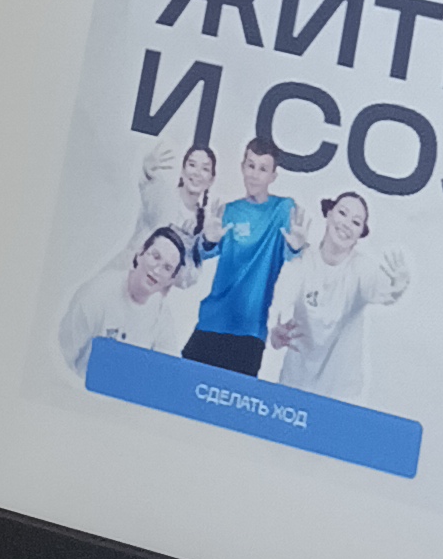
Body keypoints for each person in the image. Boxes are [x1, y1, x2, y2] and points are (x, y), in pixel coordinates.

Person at [181, 136, 308, 375]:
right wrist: (209, 239)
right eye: (251, 165)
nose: (254, 174)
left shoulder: (283, 209)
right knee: (181, 387)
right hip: (211, 322)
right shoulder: (228, 211)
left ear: (273, 176)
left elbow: (294, 257)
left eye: (263, 169)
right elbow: (202, 253)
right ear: (242, 167)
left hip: (249, 333)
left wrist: (296, 247)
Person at [269, 191, 411, 401]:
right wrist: (276, 333)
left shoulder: (361, 267)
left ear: (361, 233)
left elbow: (380, 290)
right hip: (294, 383)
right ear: (328, 213)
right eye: (342, 213)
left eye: (356, 222)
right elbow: (280, 300)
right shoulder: (304, 258)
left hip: (341, 392)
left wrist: (397, 288)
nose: (346, 224)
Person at [60, 225, 199, 377]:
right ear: (140, 253)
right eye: (155, 257)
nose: (157, 270)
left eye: (167, 268)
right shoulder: (98, 292)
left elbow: (169, 370)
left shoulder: (161, 313)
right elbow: (62, 356)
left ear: (170, 279)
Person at [136, 133, 220, 269]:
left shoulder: (203, 222)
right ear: (182, 170)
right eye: (192, 165)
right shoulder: (164, 195)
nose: (197, 173)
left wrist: (208, 242)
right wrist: (147, 172)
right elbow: (147, 191)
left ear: (211, 179)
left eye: (205, 169)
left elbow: (190, 270)